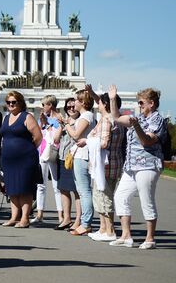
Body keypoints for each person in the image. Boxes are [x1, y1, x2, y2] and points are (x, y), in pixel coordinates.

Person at [108, 85, 166, 249]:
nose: (139, 106)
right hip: (131, 165)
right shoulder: (137, 118)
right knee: (120, 196)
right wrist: (113, 99)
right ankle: (126, 236)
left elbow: (147, 141)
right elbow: (117, 118)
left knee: (146, 199)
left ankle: (150, 238)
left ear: (151, 103)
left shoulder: (157, 120)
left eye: (141, 103)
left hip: (148, 165)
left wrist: (136, 126)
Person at [84, 89, 125, 242]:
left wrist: (87, 141)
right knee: (100, 196)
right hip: (110, 163)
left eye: (100, 102)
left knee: (105, 197)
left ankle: (110, 231)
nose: (97, 104)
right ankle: (103, 229)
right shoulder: (116, 118)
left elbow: (104, 143)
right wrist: (94, 93)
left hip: (105, 165)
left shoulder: (107, 120)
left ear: (105, 104)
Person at [0, 90, 43, 228]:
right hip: (8, 159)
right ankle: (14, 217)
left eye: (14, 102)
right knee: (11, 188)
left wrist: (27, 149)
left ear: (20, 102)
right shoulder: (6, 118)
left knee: (25, 188)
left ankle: (24, 218)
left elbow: (38, 137)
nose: (11, 105)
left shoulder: (26, 116)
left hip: (25, 159)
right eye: (8, 102)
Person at [61, 89, 95, 236]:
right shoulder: (85, 116)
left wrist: (66, 124)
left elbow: (75, 135)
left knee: (84, 191)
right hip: (80, 155)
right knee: (82, 190)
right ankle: (84, 222)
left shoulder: (87, 116)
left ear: (82, 102)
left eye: (75, 100)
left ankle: (86, 223)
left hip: (83, 155)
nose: (73, 103)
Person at [32, 94, 63, 224]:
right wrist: (42, 124)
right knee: (41, 184)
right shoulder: (43, 118)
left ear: (50, 105)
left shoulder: (59, 118)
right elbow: (39, 133)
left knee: (57, 185)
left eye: (44, 104)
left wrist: (47, 124)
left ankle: (61, 215)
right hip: (42, 151)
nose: (43, 107)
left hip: (54, 152)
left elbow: (57, 135)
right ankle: (40, 214)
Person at [55, 98, 82, 231]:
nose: (71, 109)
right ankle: (66, 218)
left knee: (77, 190)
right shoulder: (65, 121)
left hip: (76, 158)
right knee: (63, 189)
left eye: (73, 106)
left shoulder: (81, 121)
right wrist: (61, 125)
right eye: (68, 107)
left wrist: (68, 125)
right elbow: (55, 139)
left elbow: (76, 136)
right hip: (63, 157)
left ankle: (78, 219)